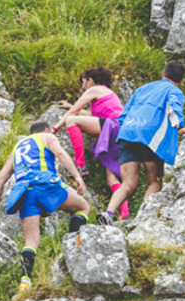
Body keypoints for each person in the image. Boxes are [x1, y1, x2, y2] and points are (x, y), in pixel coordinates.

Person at [0, 122, 90, 280]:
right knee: (83, 207)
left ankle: (25, 281)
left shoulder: (16, 149)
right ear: (46, 130)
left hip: (25, 192)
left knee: (31, 242)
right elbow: (59, 153)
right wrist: (77, 176)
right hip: (46, 183)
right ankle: (73, 251)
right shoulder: (47, 137)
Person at [97, 60, 185, 226]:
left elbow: (124, 115)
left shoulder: (142, 89)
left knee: (128, 183)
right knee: (154, 181)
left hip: (127, 133)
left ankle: (108, 213)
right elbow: (174, 109)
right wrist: (180, 126)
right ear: (182, 81)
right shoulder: (174, 91)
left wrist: (127, 130)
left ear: (163, 74)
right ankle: (142, 219)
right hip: (149, 135)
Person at [53, 66, 130, 220]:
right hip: (121, 131)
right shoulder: (107, 93)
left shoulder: (95, 89)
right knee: (111, 177)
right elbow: (91, 115)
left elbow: (74, 112)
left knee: (72, 121)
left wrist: (55, 128)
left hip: (113, 126)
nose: (83, 87)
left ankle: (80, 163)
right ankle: (125, 213)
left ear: (90, 80)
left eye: (84, 82)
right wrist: (70, 106)